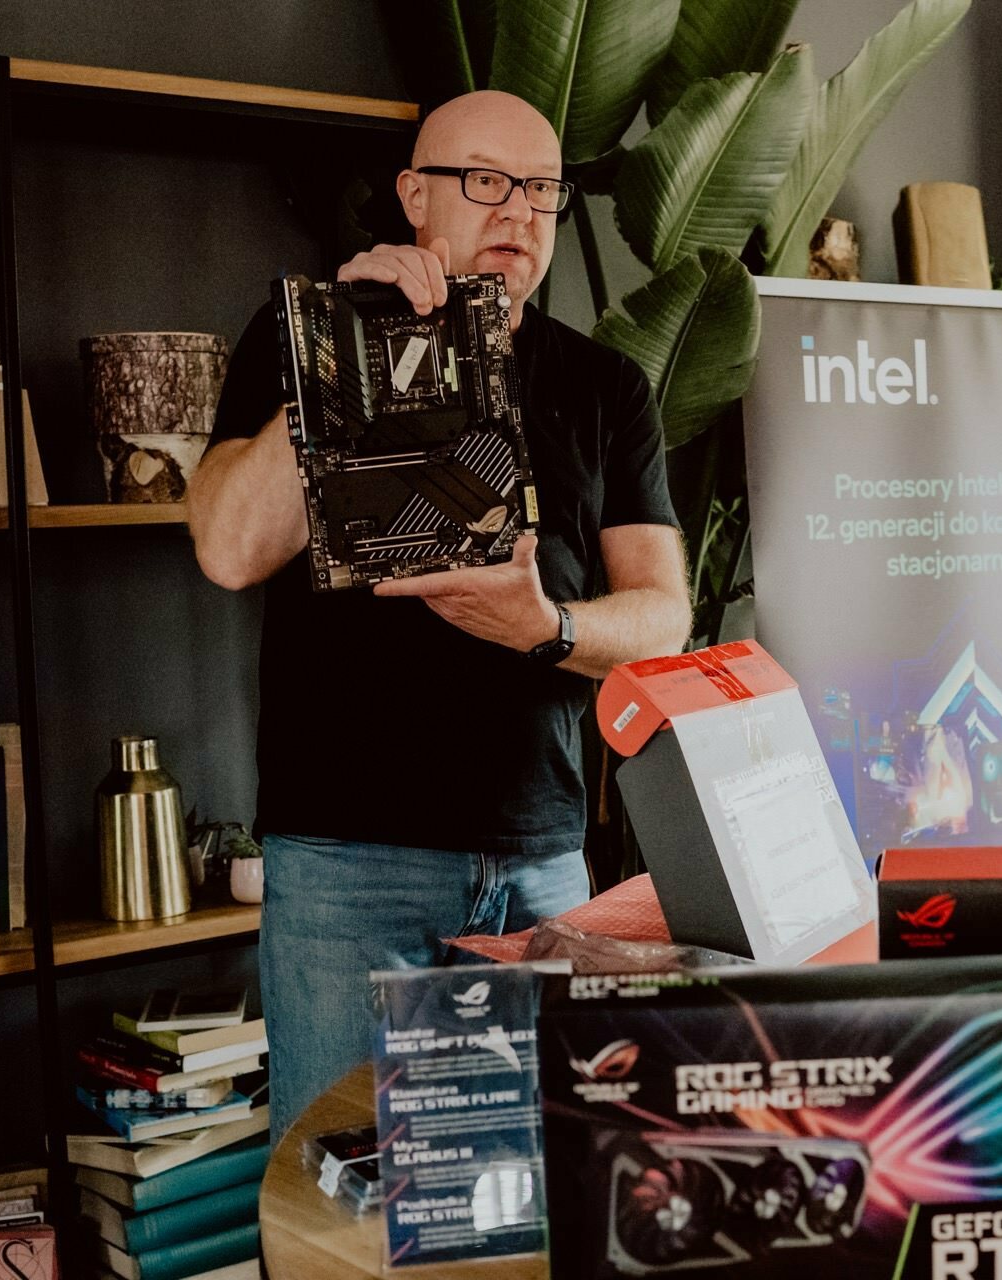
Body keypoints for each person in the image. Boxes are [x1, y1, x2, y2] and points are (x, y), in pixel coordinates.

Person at [188, 91, 692, 1135]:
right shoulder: (303, 336)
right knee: (348, 1208)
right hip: (347, 868)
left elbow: (663, 616)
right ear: (415, 196)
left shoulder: (604, 386)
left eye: (543, 191)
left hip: (547, 863)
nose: (518, 212)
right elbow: (228, 546)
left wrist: (545, 626)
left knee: (544, 1202)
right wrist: (346, 346)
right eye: (486, 182)